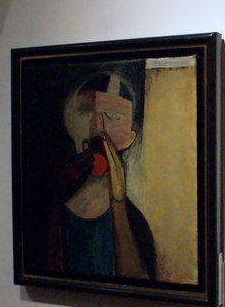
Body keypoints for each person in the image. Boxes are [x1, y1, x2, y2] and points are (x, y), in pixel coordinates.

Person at [46, 72, 156, 280]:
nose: (97, 125)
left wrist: (118, 201)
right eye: (86, 111)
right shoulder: (51, 207)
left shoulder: (136, 224)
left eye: (115, 117)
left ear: (130, 137)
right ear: (68, 120)